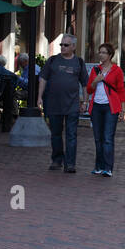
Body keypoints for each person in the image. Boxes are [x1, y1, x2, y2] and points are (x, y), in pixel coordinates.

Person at [39, 34, 88, 173]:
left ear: (73, 46)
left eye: (66, 45)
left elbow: (85, 84)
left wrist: (85, 102)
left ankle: (70, 163)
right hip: (54, 104)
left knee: (71, 134)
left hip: (72, 104)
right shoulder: (52, 60)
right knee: (55, 133)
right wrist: (39, 97)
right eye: (61, 45)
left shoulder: (79, 62)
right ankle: (57, 160)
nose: (62, 47)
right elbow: (43, 79)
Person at [86, 42, 125, 177]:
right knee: (98, 138)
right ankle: (98, 166)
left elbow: (121, 90)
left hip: (110, 107)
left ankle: (107, 168)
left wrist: (122, 110)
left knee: (108, 138)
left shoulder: (117, 70)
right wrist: (96, 80)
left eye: (104, 53)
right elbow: (89, 89)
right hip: (96, 106)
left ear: (110, 55)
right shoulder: (95, 70)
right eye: (100, 52)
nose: (101, 55)